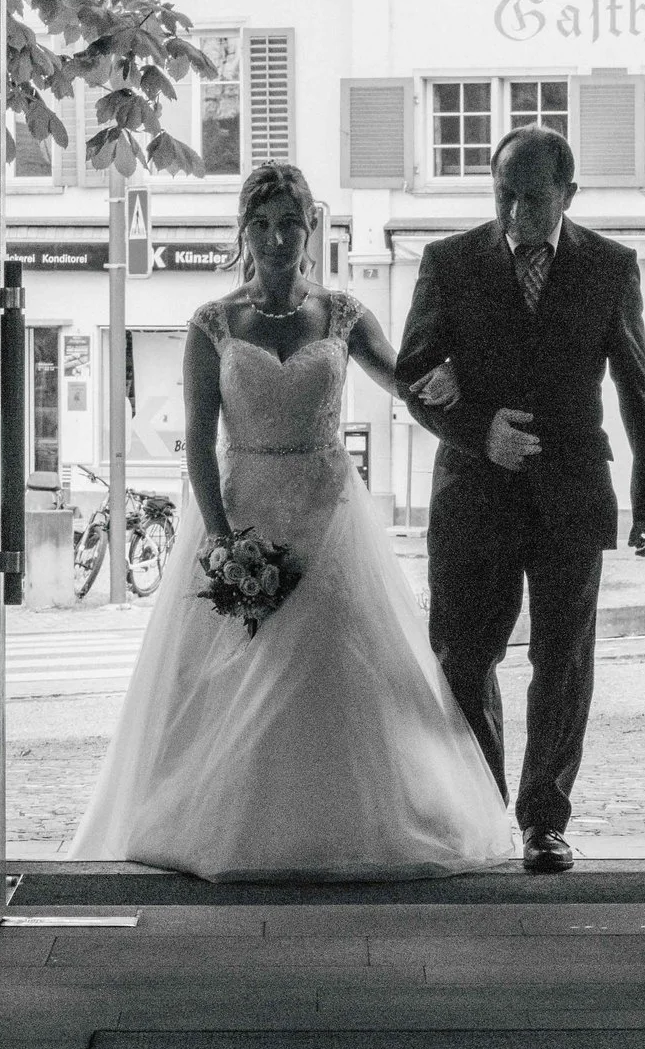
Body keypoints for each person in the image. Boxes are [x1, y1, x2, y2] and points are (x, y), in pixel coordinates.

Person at [69, 163, 515, 880]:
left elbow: (409, 380)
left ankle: (342, 827)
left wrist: (461, 386)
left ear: (312, 229)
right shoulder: (212, 324)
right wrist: (217, 539)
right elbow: (199, 439)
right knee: (231, 676)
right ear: (244, 231)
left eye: (291, 224)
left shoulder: (343, 315)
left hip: (328, 514)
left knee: (337, 674)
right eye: (263, 224)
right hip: (242, 513)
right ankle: (227, 827)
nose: (278, 239)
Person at [395, 125, 645, 873]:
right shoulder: (449, 263)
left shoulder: (610, 268)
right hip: (473, 497)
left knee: (564, 661)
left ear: (568, 195)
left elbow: (637, 383)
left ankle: (543, 821)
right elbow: (413, 375)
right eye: (503, 196)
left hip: (572, 494)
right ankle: (480, 810)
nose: (516, 213)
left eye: (532, 198)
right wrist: (478, 430)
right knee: (463, 655)